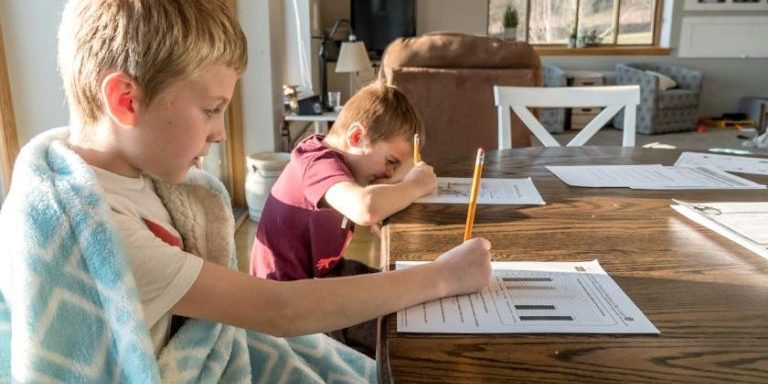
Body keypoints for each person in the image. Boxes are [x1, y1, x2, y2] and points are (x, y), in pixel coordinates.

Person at [0, 0, 492, 381]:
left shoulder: (129, 173)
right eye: (212, 109)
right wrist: (443, 277)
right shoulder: (99, 231)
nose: (222, 133)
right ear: (127, 101)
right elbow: (279, 310)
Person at [250, 81, 439, 356]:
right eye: (390, 163)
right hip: (287, 308)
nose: (390, 176)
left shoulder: (343, 167)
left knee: (408, 295)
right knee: (400, 331)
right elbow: (365, 208)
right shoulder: (315, 162)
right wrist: (414, 186)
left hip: (324, 278)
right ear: (355, 137)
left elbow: (369, 203)